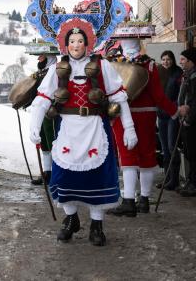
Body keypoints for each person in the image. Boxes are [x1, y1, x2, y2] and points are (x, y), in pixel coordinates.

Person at [30, 23, 137, 246]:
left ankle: (97, 225)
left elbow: (119, 97)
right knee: (64, 176)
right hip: (68, 128)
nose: (76, 45)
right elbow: (42, 99)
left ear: (87, 44)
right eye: (72, 42)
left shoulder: (103, 66)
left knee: (97, 178)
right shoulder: (57, 68)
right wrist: (34, 125)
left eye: (80, 41)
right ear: (65, 45)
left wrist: (129, 127)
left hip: (96, 128)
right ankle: (71, 219)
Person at [107, 40, 186, 217]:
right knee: (147, 156)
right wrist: (175, 111)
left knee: (128, 156)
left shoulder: (114, 63)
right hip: (147, 116)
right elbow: (158, 96)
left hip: (123, 114)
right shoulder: (150, 65)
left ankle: (128, 200)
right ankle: (144, 200)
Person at [177, 47, 196, 197]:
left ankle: (195, 184)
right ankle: (190, 180)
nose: (180, 62)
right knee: (188, 152)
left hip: (193, 120)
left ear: (190, 61)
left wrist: (189, 119)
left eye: (183, 59)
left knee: (194, 152)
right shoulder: (188, 75)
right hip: (186, 119)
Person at [156, 50, 183, 190]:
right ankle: (167, 178)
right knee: (164, 147)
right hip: (161, 114)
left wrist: (175, 109)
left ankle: (174, 179)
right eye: (163, 59)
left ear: (173, 60)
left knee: (172, 146)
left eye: (168, 59)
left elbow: (180, 94)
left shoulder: (178, 74)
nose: (166, 62)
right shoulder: (158, 73)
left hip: (173, 114)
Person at [31, 53, 58, 186]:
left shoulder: (56, 72)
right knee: (44, 144)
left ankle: (56, 174)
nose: (39, 59)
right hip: (41, 112)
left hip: (51, 113)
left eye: (42, 56)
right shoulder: (41, 73)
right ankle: (47, 173)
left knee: (53, 142)